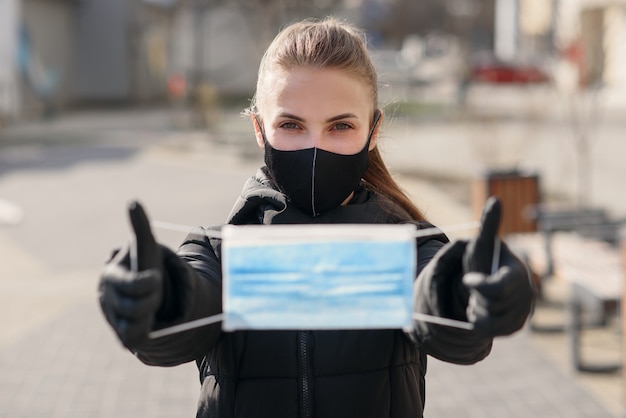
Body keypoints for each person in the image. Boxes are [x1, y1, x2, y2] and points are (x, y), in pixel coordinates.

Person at [98, 17, 534, 418]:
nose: (314, 146)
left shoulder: (407, 244)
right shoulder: (218, 250)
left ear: (372, 130)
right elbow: (187, 308)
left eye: (340, 127)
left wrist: (474, 290)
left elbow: (439, 302)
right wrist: (152, 296)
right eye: (290, 125)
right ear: (258, 129)